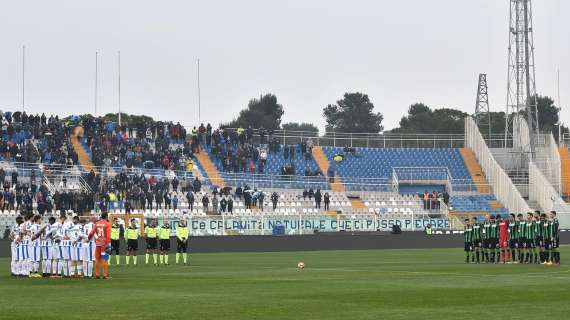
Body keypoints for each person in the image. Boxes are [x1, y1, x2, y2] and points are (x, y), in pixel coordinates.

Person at [87, 212, 112, 279]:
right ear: (106, 217)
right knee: (105, 259)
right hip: (104, 244)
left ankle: (97, 274)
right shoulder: (107, 224)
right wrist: (108, 244)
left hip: (98, 244)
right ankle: (105, 275)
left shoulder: (97, 223)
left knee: (97, 259)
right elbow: (108, 235)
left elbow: (91, 233)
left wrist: (88, 239)